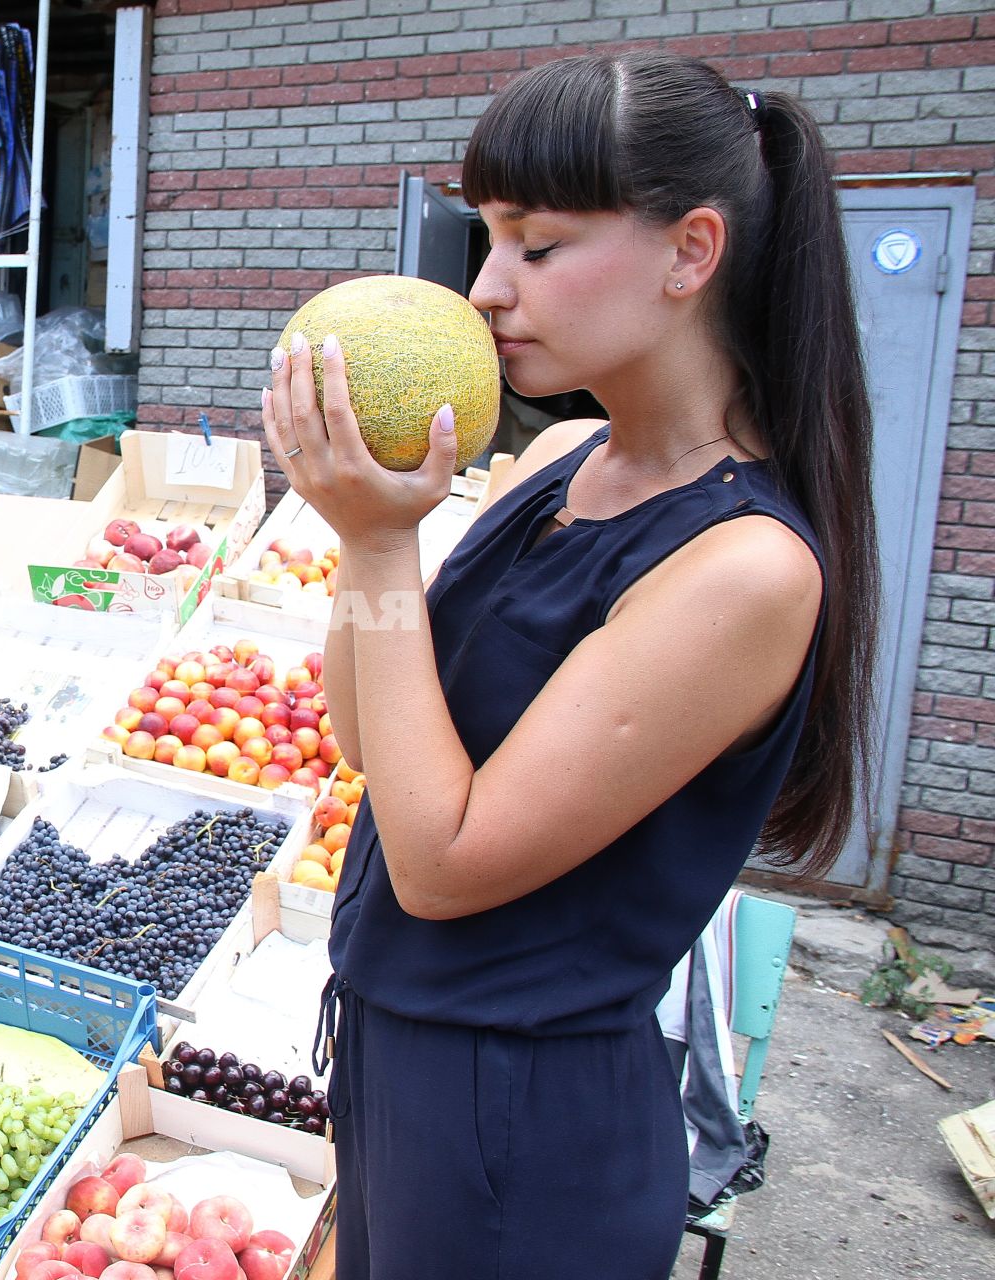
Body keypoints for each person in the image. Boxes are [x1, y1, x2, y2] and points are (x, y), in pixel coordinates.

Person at [261, 52, 877, 1278]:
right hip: (401, 1060)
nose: (487, 288)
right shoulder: (563, 460)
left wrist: (383, 543)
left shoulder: (746, 565)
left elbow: (443, 864)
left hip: (520, 1124)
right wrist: (360, 527)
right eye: (487, 239)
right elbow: (369, 738)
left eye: (537, 246)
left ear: (690, 253)